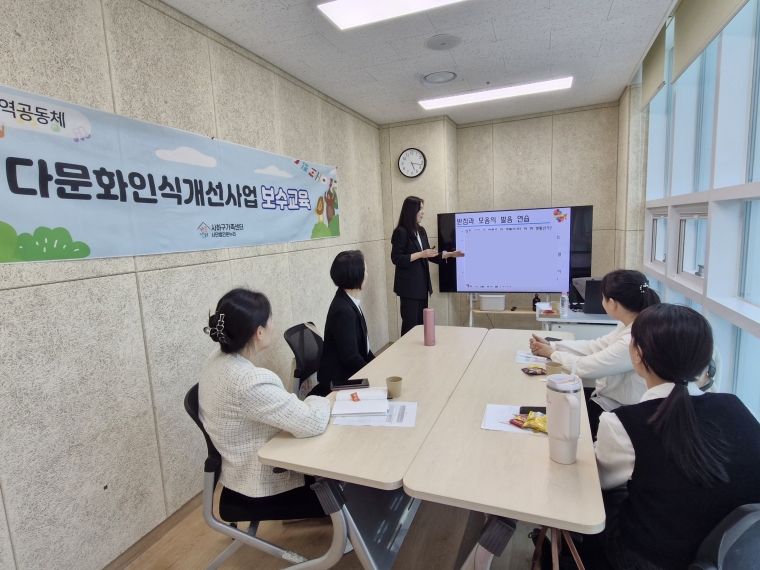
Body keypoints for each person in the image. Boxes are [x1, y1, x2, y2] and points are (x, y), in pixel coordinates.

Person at [583, 304, 760, 570]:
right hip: (735, 556)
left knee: (600, 499)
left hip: (653, 559)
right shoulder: (738, 407)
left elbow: (598, 481)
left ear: (638, 354)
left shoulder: (623, 423)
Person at [199, 288, 330, 522]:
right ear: (259, 332)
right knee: (347, 477)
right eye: (270, 319)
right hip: (261, 486)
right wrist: (321, 399)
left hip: (237, 472)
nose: (273, 324)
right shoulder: (249, 381)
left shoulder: (215, 359)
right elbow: (313, 421)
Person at [529, 270, 660, 436]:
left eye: (602, 297)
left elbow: (587, 368)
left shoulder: (634, 337)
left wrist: (552, 354)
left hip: (621, 412)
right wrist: (553, 345)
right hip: (607, 399)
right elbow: (595, 346)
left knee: (554, 417)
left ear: (612, 303)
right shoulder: (631, 323)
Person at [391, 196, 464, 336]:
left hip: (422, 285)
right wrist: (420, 254)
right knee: (410, 325)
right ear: (411, 210)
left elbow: (429, 254)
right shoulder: (400, 232)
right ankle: (405, 349)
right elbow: (397, 258)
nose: (423, 212)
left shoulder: (421, 231)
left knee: (421, 324)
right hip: (408, 288)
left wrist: (449, 254)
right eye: (421, 208)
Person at [310, 250, 374, 397]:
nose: (367, 274)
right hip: (339, 383)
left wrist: (377, 366)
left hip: (349, 374)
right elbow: (350, 358)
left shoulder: (349, 301)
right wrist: (373, 376)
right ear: (356, 275)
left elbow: (364, 349)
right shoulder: (343, 311)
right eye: (365, 270)